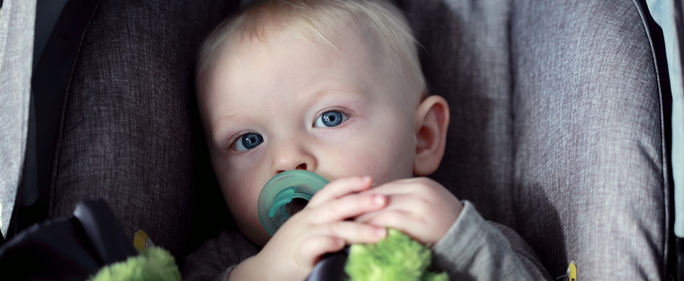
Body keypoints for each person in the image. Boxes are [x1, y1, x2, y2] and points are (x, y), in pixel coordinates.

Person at [184, 0, 551, 280]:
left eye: (330, 118)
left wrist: (464, 246)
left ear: (422, 137)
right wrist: (262, 272)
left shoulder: (456, 234)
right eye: (248, 140)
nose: (287, 160)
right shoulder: (228, 260)